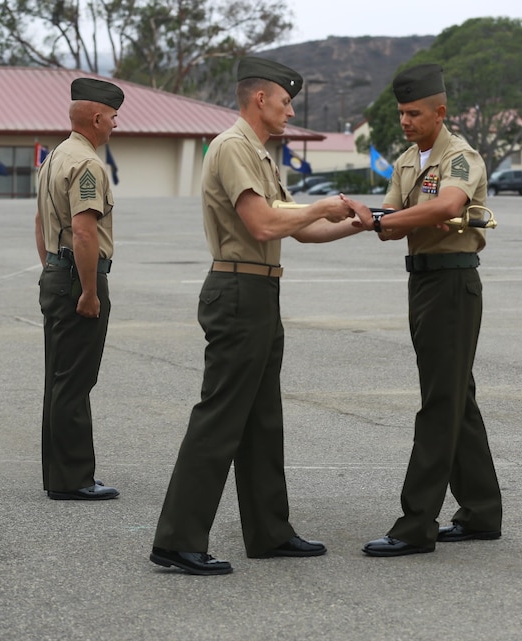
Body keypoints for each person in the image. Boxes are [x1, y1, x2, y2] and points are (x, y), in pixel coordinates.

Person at [150, 56, 362, 576]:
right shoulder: (232, 148)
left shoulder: (263, 157)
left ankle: (269, 531)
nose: (291, 111)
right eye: (287, 102)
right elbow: (265, 223)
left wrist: (364, 223)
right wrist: (319, 207)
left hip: (261, 292)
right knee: (220, 417)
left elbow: (301, 230)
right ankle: (177, 540)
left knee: (263, 420)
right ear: (260, 99)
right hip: (238, 289)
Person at [348, 64, 502, 557]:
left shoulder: (460, 157)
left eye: (414, 113)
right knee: (456, 398)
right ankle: (480, 511)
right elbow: (391, 226)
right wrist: (360, 216)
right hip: (423, 283)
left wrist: (379, 217)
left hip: (454, 283)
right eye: (401, 113)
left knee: (439, 404)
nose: (406, 121)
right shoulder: (408, 161)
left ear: (441, 111)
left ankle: (416, 523)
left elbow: (444, 206)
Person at [34, 78, 124, 501]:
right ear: (97, 117)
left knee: (58, 378)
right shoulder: (86, 163)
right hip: (77, 278)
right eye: (113, 117)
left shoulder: (54, 157)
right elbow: (85, 232)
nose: (115, 125)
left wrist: (52, 266)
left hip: (56, 272)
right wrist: (88, 291)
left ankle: (59, 473)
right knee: (75, 382)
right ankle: (74, 480)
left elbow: (40, 222)